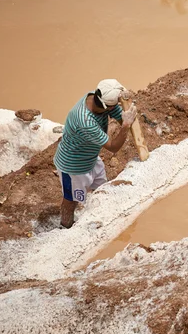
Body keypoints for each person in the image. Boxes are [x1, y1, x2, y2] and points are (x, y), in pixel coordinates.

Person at [53, 79, 137, 228]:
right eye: (114, 105)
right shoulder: (85, 120)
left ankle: (101, 216)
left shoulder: (96, 97)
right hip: (73, 166)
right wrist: (125, 126)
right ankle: (65, 227)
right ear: (106, 106)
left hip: (91, 158)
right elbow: (113, 147)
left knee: (102, 188)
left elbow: (118, 113)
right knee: (71, 198)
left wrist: (124, 109)